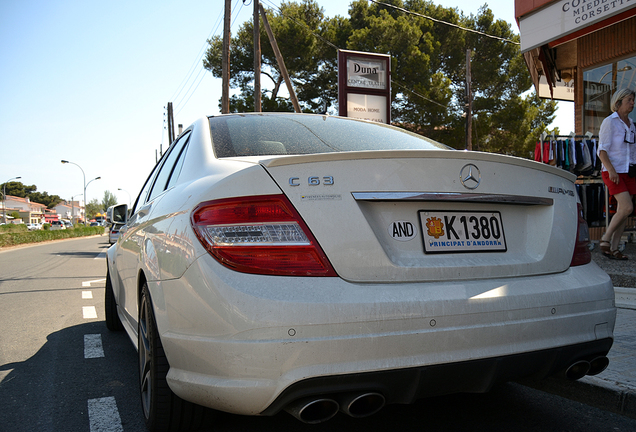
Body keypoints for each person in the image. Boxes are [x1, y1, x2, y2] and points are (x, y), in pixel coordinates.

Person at [598, 88, 636, 260]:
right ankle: (605, 239)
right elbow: (602, 151)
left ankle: (614, 249)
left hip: (629, 171)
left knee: (624, 211)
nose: (633, 103)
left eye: (633, 100)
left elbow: (632, 150)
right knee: (627, 207)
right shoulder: (610, 122)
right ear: (619, 102)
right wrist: (611, 170)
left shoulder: (632, 124)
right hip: (612, 170)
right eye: (629, 100)